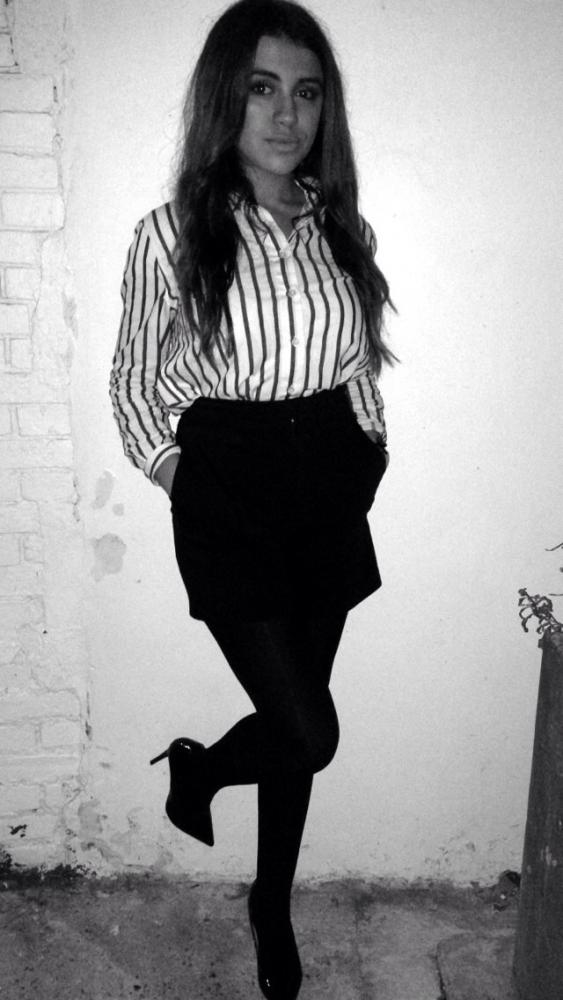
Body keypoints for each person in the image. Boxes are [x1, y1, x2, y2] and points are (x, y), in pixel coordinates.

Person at [110, 1, 395, 996]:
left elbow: (356, 362)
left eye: (306, 93)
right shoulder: (171, 232)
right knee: (307, 728)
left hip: (326, 485)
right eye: (263, 88)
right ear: (226, 97)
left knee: (296, 734)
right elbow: (131, 379)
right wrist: (178, 474)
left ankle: (270, 904)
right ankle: (198, 771)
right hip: (227, 484)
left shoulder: (337, 226)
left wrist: (369, 445)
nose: (285, 115)